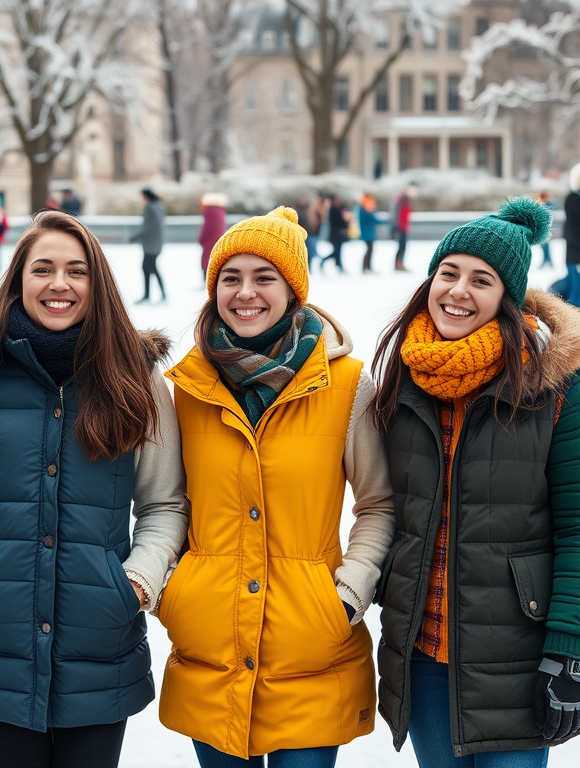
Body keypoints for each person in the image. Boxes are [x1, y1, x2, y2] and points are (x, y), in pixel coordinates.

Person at [0, 211, 189, 768]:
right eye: (43, 269)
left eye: (76, 271)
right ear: (19, 280)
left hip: (100, 638)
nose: (59, 284)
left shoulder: (136, 376)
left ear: (97, 283)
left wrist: (135, 582)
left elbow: (164, 503)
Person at [158, 207, 395, 767]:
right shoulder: (188, 386)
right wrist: (176, 589)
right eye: (230, 278)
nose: (245, 294)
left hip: (310, 645)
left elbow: (379, 504)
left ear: (293, 290)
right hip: (210, 644)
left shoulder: (345, 384)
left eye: (264, 278)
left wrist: (347, 592)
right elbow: (167, 501)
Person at [370, 197, 580, 766]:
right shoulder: (404, 377)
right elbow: (392, 508)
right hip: (422, 651)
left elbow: (578, 528)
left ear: (507, 299)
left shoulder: (553, 387)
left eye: (481, 280)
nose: (459, 291)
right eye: (449, 272)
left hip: (517, 657)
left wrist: (569, 651)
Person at [132, 187, 167, 303]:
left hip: (151, 245)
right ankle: (151, 295)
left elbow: (150, 227)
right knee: (148, 268)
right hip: (155, 244)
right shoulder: (158, 207)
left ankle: (154, 295)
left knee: (149, 268)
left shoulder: (151, 208)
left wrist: (136, 236)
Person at [198, 193, 227, 280]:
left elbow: (207, 227)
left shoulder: (209, 211)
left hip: (209, 241)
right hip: (217, 240)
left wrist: (201, 239)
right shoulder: (220, 211)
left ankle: (206, 280)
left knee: (206, 261)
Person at [320, 193, 350, 273]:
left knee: (338, 251)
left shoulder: (338, 208)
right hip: (336, 234)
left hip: (338, 234)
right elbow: (337, 222)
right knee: (336, 251)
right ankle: (323, 261)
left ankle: (339, 266)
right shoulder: (333, 210)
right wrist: (344, 219)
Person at [565, 164, 580, 306]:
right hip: (575, 255)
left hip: (575, 253)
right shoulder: (573, 198)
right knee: (576, 288)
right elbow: (573, 228)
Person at [391, 185, 415, 272]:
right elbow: (396, 214)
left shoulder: (405, 200)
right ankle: (398, 264)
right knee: (402, 246)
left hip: (404, 227)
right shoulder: (401, 200)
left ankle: (399, 263)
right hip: (400, 227)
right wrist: (397, 226)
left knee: (402, 246)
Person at [359, 193, 379, 273]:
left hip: (368, 233)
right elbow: (372, 219)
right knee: (369, 249)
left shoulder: (363, 208)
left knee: (370, 249)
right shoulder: (364, 209)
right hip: (367, 233)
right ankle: (366, 267)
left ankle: (367, 267)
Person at [536, 191, 555, 268]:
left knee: (545, 246)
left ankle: (548, 261)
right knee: (545, 246)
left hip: (543, 229)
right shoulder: (546, 205)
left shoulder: (539, 205)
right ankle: (548, 261)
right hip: (544, 229)